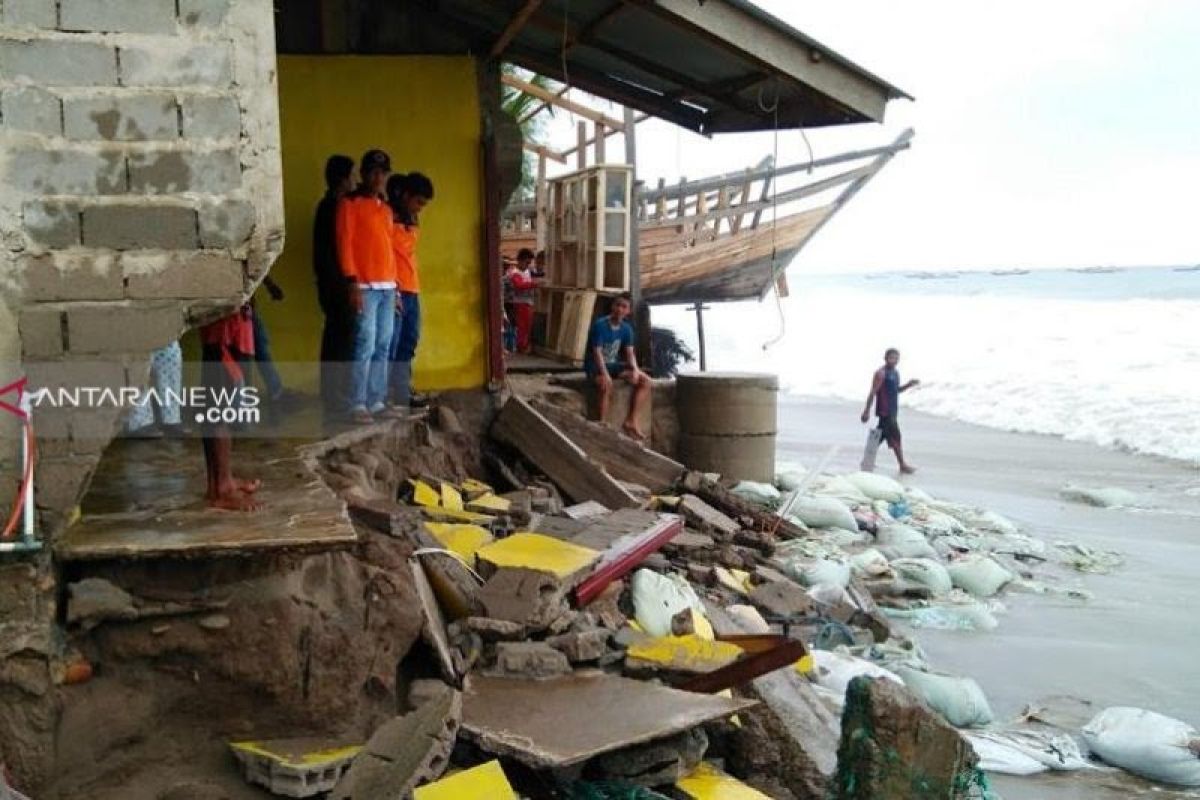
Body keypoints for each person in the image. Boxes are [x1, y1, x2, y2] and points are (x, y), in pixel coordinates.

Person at [337, 149, 397, 424]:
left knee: (383, 344)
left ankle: (376, 400)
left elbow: (390, 249)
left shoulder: (385, 209)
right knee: (365, 343)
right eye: (373, 172)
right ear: (363, 174)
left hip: (387, 286)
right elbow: (344, 244)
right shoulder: (349, 204)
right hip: (364, 286)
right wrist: (351, 282)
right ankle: (357, 402)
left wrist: (395, 287)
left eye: (383, 173)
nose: (378, 177)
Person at [198, 309, 260, 511]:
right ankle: (222, 489)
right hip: (225, 338)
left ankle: (218, 483)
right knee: (219, 413)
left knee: (216, 411)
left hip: (228, 335)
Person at [386, 171, 434, 410]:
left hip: (412, 288)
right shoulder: (387, 217)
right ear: (404, 195)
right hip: (393, 289)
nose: (420, 208)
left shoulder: (412, 219)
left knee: (409, 340)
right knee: (391, 344)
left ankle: (402, 390)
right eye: (418, 202)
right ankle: (386, 394)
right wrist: (392, 289)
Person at [313, 154, 355, 420]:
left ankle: (335, 394)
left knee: (337, 339)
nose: (355, 181)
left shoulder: (328, 205)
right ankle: (335, 395)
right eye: (352, 176)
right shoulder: (335, 207)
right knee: (340, 341)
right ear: (342, 179)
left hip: (331, 283)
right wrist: (347, 283)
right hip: (337, 284)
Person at [585, 292, 651, 440]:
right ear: (612, 307)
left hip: (613, 365)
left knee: (645, 381)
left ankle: (631, 421)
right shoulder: (600, 325)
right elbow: (597, 353)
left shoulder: (626, 329)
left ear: (628, 311)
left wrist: (635, 370)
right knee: (605, 384)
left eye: (624, 307)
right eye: (617, 305)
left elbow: (630, 353)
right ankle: (602, 423)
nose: (620, 309)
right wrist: (605, 374)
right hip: (595, 366)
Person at [860, 347, 920, 474]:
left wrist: (909, 384)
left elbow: (896, 390)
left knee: (879, 436)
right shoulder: (880, 373)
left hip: (892, 410)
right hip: (885, 411)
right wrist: (866, 411)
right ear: (886, 358)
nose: (894, 360)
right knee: (896, 436)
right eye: (892, 358)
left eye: (897, 358)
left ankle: (866, 461)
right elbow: (873, 392)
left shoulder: (896, 373)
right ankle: (902, 464)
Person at [508, 248, 538, 353]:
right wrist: (535, 284)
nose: (528, 265)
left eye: (529, 263)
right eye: (527, 262)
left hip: (527, 302)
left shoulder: (527, 272)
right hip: (520, 303)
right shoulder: (515, 273)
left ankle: (524, 346)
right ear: (520, 260)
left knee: (528, 326)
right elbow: (519, 285)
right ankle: (521, 347)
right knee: (523, 327)